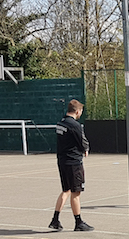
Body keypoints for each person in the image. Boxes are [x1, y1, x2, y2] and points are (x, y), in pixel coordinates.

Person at [49, 99, 93, 232]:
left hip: (62, 160)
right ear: (77, 111)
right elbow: (82, 140)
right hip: (73, 162)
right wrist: (86, 149)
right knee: (76, 192)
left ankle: (55, 219)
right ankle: (78, 222)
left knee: (66, 190)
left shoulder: (61, 123)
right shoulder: (75, 125)